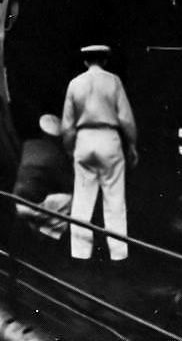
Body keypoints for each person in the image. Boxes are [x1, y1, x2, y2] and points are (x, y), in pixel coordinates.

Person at [61, 45, 138, 262]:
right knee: (114, 200)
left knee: (83, 201)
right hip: (108, 139)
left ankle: (79, 253)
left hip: (84, 140)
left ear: (85, 61)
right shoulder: (113, 81)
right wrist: (132, 144)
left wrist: (69, 148)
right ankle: (119, 255)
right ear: (104, 60)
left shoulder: (75, 84)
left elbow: (67, 126)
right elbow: (126, 118)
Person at [13, 114, 73, 240]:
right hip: (31, 207)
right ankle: (48, 235)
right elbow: (66, 184)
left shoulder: (28, 145)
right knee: (70, 199)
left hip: (16, 202)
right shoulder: (56, 156)